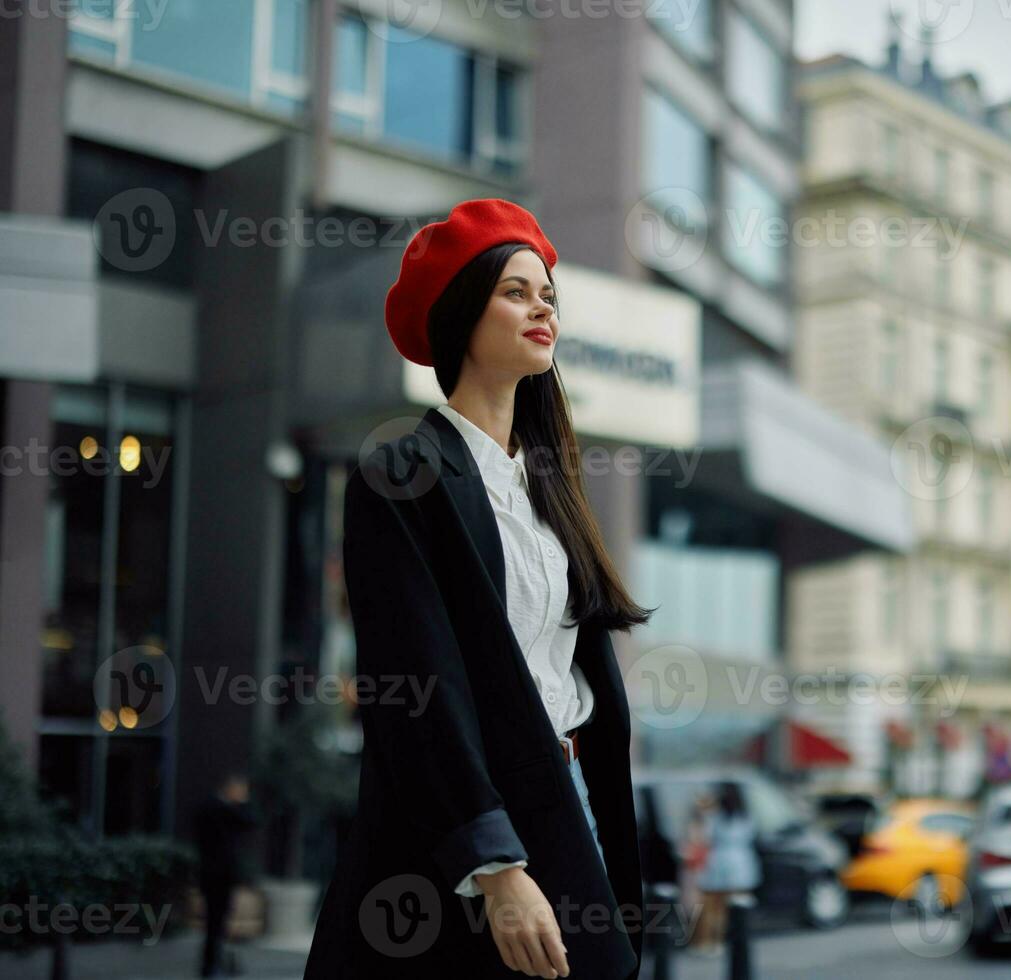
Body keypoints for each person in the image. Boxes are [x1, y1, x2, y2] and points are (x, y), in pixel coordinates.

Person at [304, 200, 653, 980]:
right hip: (464, 824)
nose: (542, 310)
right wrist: (493, 864)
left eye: (548, 296)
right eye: (516, 292)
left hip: (570, 801)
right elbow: (413, 686)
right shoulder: (401, 473)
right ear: (462, 311)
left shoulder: (548, 487)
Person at [194, 772, 258, 978]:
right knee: (215, 923)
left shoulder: (220, 809)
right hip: (216, 876)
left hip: (220, 875)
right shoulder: (217, 809)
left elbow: (250, 823)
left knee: (218, 922)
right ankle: (210, 966)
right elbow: (248, 820)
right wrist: (241, 804)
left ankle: (213, 964)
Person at [688, 783, 761, 956]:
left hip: (719, 861)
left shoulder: (715, 816)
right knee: (736, 906)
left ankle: (710, 942)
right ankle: (729, 939)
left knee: (714, 907)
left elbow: (705, 836)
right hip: (741, 862)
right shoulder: (745, 816)